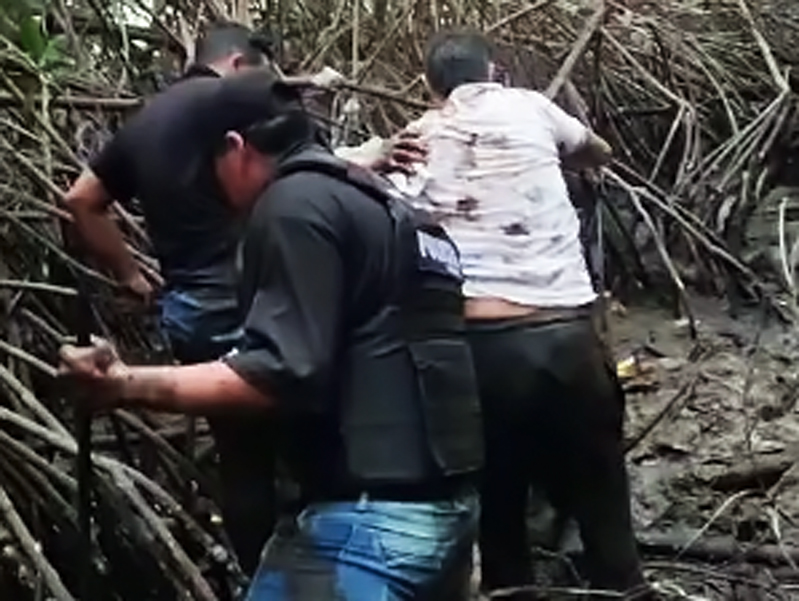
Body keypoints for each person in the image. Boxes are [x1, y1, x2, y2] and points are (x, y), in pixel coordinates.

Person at [60, 70, 483, 601]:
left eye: (213, 171)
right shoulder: (387, 204)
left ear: (235, 149)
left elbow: (279, 371)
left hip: (369, 527)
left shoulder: (293, 205)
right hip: (449, 510)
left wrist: (124, 384)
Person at [389, 30, 650, 599]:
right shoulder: (530, 106)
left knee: (496, 498)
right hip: (567, 338)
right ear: (495, 72)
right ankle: (624, 586)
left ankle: (513, 588)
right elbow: (596, 151)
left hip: (480, 350)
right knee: (601, 488)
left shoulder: (414, 139)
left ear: (431, 88)